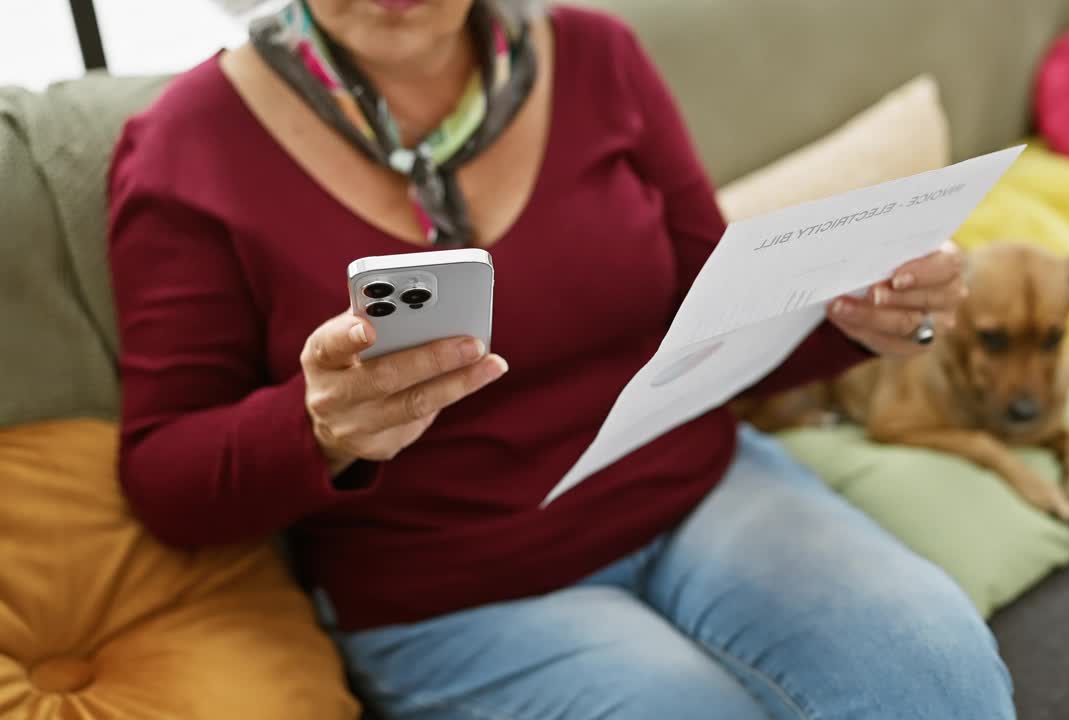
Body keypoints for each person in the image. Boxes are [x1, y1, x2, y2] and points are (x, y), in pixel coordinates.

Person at [107, 0, 1013, 717]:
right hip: (456, 587)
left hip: (696, 490)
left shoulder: (594, 56)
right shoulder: (188, 147)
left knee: (935, 659)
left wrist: (861, 313)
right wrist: (319, 428)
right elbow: (164, 479)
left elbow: (708, 307)